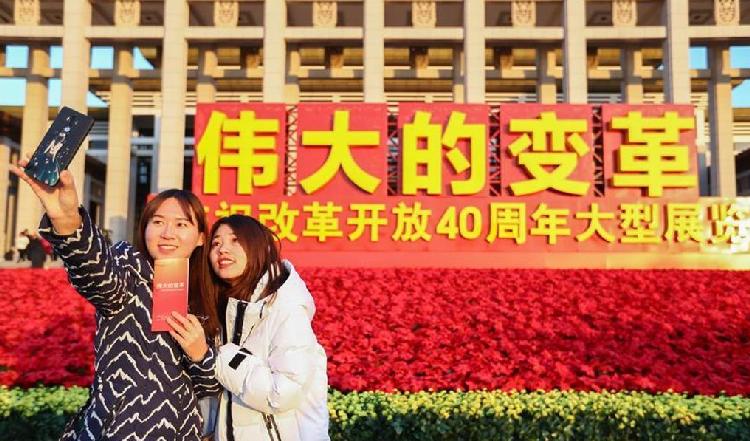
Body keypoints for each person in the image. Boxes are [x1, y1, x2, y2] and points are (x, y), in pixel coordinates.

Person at [10, 159, 221, 441]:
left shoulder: (206, 297)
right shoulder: (128, 271)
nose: (168, 233)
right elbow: (97, 275)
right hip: (118, 428)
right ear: (144, 228)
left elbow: (210, 386)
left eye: (181, 224)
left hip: (180, 432)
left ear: (200, 238)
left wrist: (200, 354)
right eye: (158, 222)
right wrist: (67, 220)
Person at [201, 214, 330, 441]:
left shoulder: (285, 308)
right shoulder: (225, 308)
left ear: (258, 247)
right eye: (216, 243)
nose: (223, 249)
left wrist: (220, 357)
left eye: (235, 240)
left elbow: (283, 392)